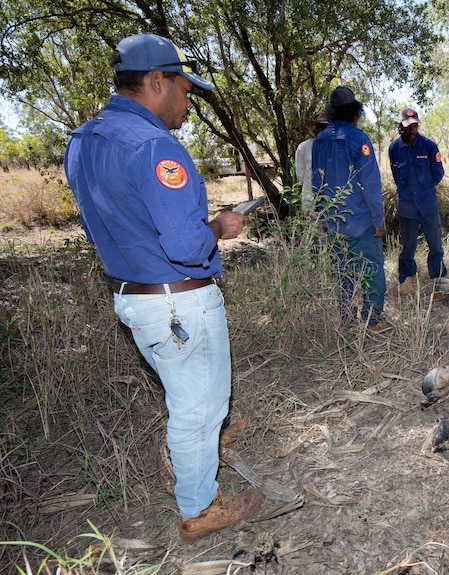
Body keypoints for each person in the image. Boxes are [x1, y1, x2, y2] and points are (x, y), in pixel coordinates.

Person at [64, 33, 263, 543]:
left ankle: (201, 451)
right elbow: (186, 245)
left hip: (132, 296)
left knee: (189, 398)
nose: (188, 104)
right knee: (198, 408)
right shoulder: (153, 146)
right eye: (185, 91)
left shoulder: (84, 140)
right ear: (157, 81)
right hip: (179, 300)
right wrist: (219, 228)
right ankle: (200, 508)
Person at [311, 86, 389, 332]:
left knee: (342, 273)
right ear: (355, 112)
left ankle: (345, 319)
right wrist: (378, 219)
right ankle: (372, 320)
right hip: (362, 222)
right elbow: (371, 183)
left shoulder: (320, 140)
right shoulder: (359, 139)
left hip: (334, 222)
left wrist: (323, 215)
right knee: (372, 270)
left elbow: (317, 182)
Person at [387, 107, 446, 296]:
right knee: (408, 247)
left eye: (415, 125)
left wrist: (423, 190)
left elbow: (438, 173)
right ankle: (406, 282)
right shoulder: (394, 148)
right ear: (400, 127)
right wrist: (408, 193)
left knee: (436, 245)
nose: (412, 129)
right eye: (408, 126)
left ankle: (439, 282)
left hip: (428, 205)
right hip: (406, 209)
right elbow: (396, 175)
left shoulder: (429, 146)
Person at [295, 114, 329, 214]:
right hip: (311, 203)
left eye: (325, 127)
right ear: (315, 129)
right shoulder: (303, 147)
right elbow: (300, 176)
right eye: (320, 127)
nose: (322, 130)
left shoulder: (336, 149)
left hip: (333, 204)